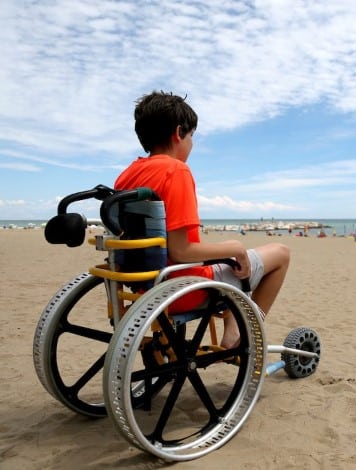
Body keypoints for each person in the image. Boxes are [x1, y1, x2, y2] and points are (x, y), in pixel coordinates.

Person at [114, 91, 290, 348]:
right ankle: (247, 334)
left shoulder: (126, 176)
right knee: (281, 253)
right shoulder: (176, 171)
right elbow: (181, 251)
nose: (192, 144)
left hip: (144, 289)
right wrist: (235, 248)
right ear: (178, 133)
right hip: (183, 290)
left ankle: (233, 330)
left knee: (229, 265)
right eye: (191, 136)